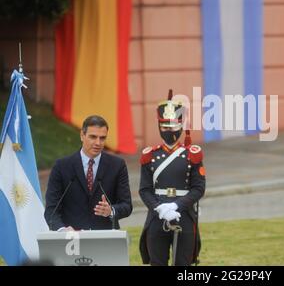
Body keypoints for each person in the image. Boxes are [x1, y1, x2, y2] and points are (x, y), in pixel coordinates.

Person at [139, 90, 205, 266]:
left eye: (173, 126)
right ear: (159, 127)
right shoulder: (149, 156)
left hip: (184, 214)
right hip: (157, 214)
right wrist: (160, 208)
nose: (169, 130)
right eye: (165, 127)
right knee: (157, 262)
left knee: (183, 264)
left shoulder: (192, 154)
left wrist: (177, 205)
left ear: (181, 125)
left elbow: (198, 188)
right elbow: (144, 190)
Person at [44, 115, 132, 231]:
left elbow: (126, 205)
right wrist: (62, 230)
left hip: (105, 238)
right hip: (71, 240)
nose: (98, 143)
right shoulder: (62, 166)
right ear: (82, 135)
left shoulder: (117, 165)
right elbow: (51, 210)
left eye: (102, 138)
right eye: (93, 137)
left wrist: (111, 210)